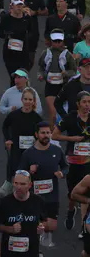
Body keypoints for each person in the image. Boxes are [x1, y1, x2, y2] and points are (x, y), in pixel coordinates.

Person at [19, 121, 67, 247]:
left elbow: (65, 166)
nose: (46, 135)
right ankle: (34, 247)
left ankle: (40, 234)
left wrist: (62, 173)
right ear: (36, 134)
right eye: (43, 133)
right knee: (33, 225)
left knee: (51, 226)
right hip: (34, 196)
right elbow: (19, 174)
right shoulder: (28, 154)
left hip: (52, 195)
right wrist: (29, 171)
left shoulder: (57, 150)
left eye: (48, 133)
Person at [54, 90, 90, 233]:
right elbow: (55, 135)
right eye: (84, 102)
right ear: (78, 104)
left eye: (89, 102)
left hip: (88, 162)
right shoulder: (70, 118)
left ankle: (84, 226)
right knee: (73, 194)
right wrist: (72, 139)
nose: (87, 105)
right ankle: (71, 210)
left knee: (86, 192)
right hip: (73, 161)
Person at [0, 87, 43, 197]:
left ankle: (29, 196)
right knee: (15, 170)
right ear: (22, 100)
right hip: (16, 149)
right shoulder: (14, 115)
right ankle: (10, 186)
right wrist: (8, 139)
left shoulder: (37, 118)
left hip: (31, 150)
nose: (28, 102)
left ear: (34, 101)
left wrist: (38, 144)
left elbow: (41, 134)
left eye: (30, 100)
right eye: (26, 99)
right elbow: (5, 126)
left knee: (29, 173)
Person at [0, 170, 46, 257]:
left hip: (31, 252)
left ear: (30, 185)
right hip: (9, 253)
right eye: (16, 183)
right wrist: (10, 229)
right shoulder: (4, 202)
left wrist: (42, 227)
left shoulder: (38, 201)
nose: (18, 187)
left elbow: (45, 221)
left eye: (22, 184)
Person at [38, 28, 77, 125]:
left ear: (63, 41)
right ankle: (51, 136)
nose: (57, 43)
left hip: (63, 86)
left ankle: (59, 131)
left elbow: (74, 71)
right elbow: (41, 68)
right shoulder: (45, 53)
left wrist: (66, 73)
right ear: (51, 41)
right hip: (50, 85)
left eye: (59, 41)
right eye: (55, 41)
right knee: (53, 111)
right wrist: (41, 75)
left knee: (62, 112)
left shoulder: (67, 55)